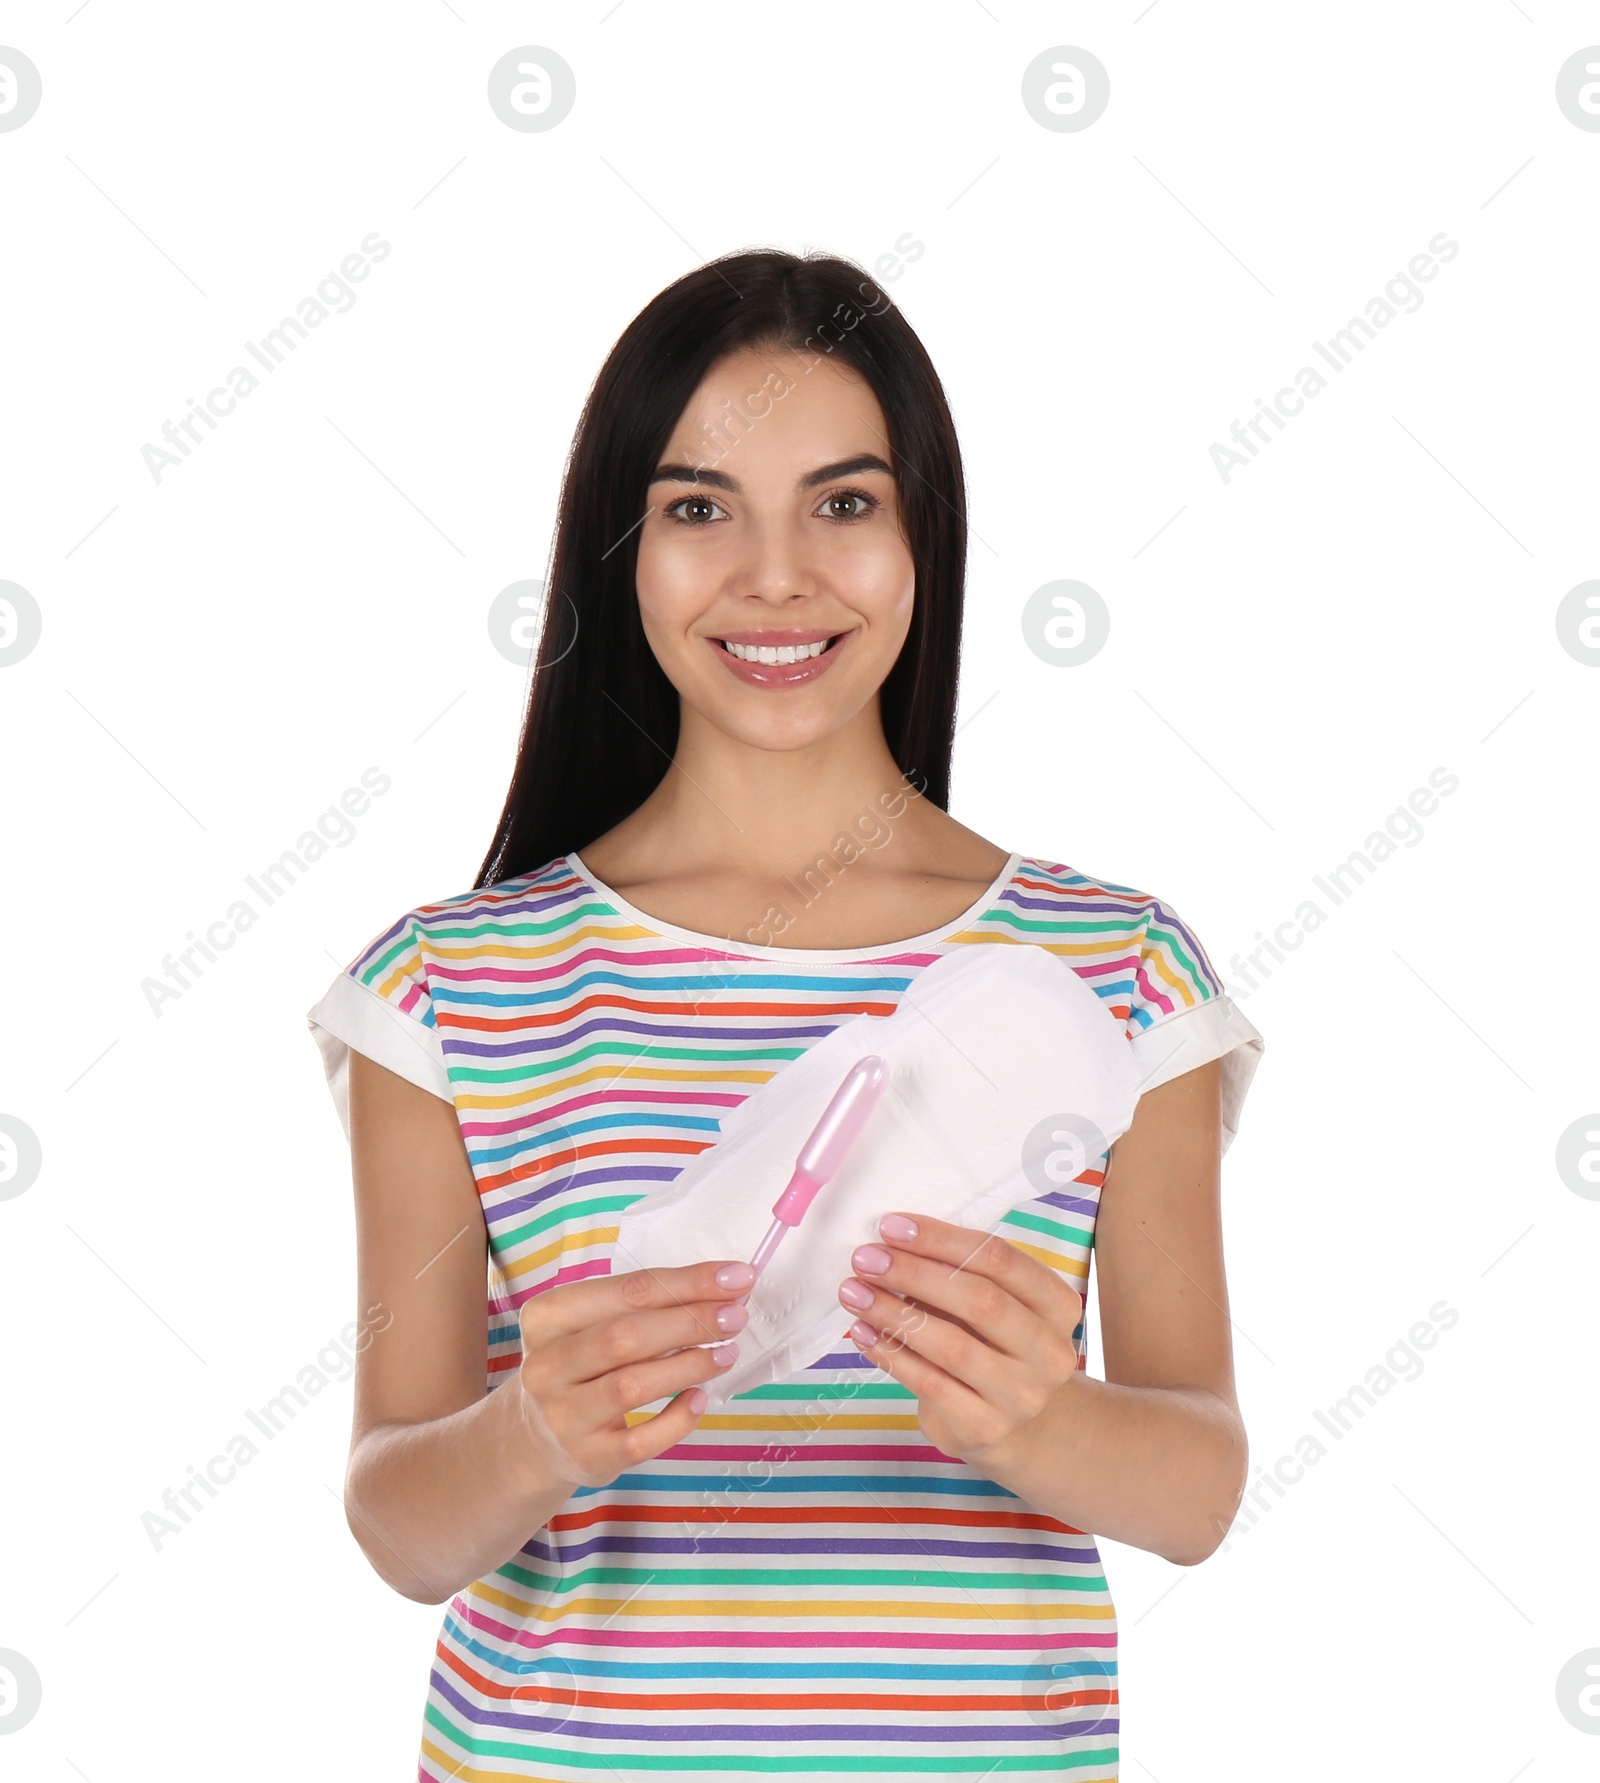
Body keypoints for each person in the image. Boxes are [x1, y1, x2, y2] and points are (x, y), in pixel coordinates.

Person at [306, 247, 1266, 1781]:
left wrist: (1035, 1418)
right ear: (624, 546)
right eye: (699, 509)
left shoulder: (1115, 973)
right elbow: (399, 1523)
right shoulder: (451, 985)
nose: (775, 575)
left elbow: (1197, 1488)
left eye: (843, 501)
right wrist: (538, 1430)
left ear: (922, 537)